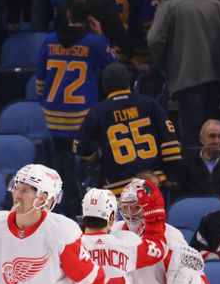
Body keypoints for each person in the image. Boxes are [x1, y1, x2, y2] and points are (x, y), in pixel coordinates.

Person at [36, 0, 117, 216]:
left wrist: (44, 103)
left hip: (53, 114)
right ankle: (78, 206)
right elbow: (115, 68)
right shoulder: (94, 42)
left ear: (68, 14)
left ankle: (59, 206)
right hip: (82, 116)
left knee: (60, 161)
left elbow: (40, 80)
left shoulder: (49, 40)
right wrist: (101, 36)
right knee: (83, 163)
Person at [74, 62, 182, 195]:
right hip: (154, 183)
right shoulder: (150, 104)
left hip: (119, 188)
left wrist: (93, 157)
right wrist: (172, 175)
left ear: (104, 86)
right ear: (128, 81)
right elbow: (170, 145)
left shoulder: (97, 112)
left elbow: (82, 148)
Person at [147, 0, 220, 149]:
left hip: (186, 79)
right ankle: (215, 170)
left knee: (192, 138)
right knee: (214, 135)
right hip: (217, 79)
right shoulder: (219, 6)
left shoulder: (170, 7)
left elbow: (154, 40)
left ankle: (196, 170)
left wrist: (163, 66)